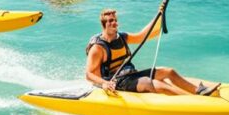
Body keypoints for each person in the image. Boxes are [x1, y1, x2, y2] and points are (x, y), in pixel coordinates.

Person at [85, 7, 218, 96]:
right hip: (116, 82)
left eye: (115, 20)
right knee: (157, 85)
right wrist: (104, 83)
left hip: (131, 75)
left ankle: (198, 90)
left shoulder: (123, 37)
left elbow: (144, 35)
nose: (113, 23)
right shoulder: (98, 48)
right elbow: (89, 74)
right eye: (110, 21)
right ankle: (194, 100)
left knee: (168, 71)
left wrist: (159, 15)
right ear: (103, 24)